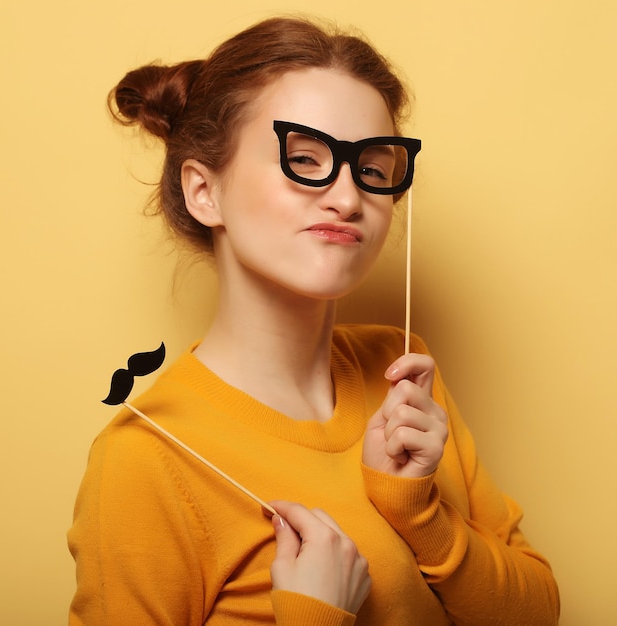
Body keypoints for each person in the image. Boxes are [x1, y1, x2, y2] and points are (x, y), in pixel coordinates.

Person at [68, 15, 560, 625]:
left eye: (374, 170)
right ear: (204, 192)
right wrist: (315, 615)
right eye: (305, 158)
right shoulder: (144, 461)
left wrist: (420, 515)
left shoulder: (401, 372)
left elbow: (535, 614)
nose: (349, 198)